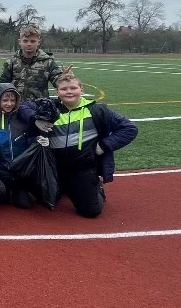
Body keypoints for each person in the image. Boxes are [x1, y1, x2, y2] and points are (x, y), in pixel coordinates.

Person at [29, 68, 137, 218]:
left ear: (82, 89)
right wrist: (36, 119)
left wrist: (103, 146)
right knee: (40, 202)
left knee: (90, 212)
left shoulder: (97, 110)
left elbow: (129, 129)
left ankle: (95, 188)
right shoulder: (50, 108)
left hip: (82, 167)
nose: (69, 92)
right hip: (54, 168)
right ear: (57, 92)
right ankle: (64, 187)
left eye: (73, 88)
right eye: (64, 89)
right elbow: (23, 107)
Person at [0, 83, 33, 207]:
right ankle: (2, 188)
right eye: (5, 100)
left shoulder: (22, 119)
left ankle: (19, 189)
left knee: (25, 204)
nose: (9, 104)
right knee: (1, 197)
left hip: (18, 172)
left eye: (13, 100)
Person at [0, 25, 61, 102]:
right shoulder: (11, 62)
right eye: (25, 41)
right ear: (20, 42)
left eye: (33, 41)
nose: (29, 44)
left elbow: (60, 84)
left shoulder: (48, 62)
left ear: (39, 42)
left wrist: (66, 77)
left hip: (40, 108)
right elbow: (3, 87)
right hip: (17, 108)